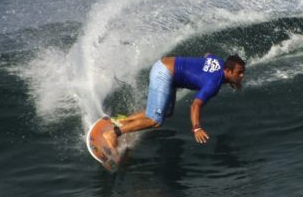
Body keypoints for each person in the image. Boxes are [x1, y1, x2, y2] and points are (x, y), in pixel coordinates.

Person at [103, 53, 246, 149]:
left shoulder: (220, 62)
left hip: (167, 69)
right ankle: (114, 133)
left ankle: (124, 121)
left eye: (242, 72)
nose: (242, 75)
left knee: (167, 112)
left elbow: (208, 55)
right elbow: (196, 105)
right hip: (164, 73)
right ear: (227, 71)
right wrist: (196, 127)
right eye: (239, 73)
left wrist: (232, 81)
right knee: (155, 120)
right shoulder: (213, 84)